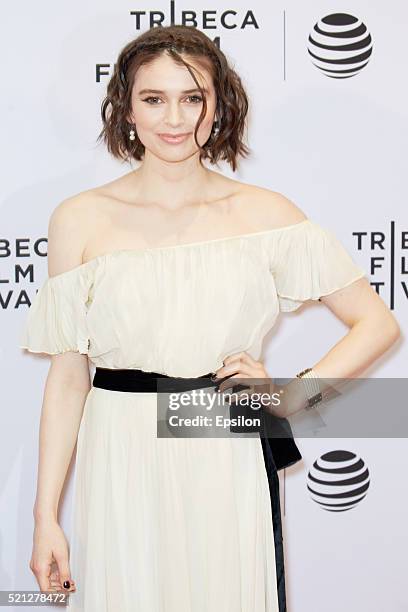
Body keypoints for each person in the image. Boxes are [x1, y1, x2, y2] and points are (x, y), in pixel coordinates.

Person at [19, 24, 400, 612]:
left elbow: (377, 324)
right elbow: (69, 376)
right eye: (154, 98)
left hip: (218, 432)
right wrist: (45, 515)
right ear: (125, 108)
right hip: (119, 444)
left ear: (220, 106)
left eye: (193, 98)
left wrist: (293, 395)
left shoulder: (265, 213)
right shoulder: (80, 218)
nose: (175, 119)